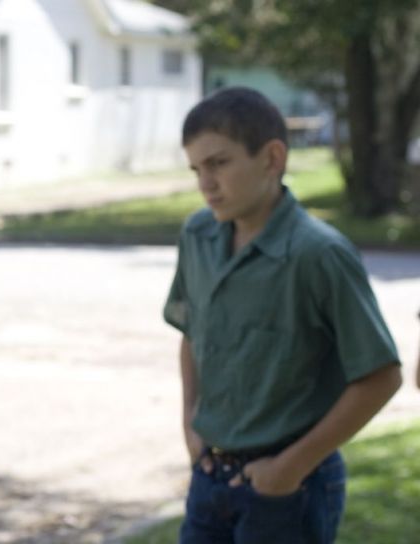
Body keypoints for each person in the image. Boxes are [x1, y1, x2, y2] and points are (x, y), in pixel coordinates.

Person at [165, 86, 401, 543]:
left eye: (219, 163)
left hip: (290, 486)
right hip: (210, 475)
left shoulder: (320, 254)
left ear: (272, 158)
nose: (205, 184)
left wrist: (288, 468)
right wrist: (189, 423)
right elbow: (191, 332)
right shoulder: (198, 234)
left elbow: (381, 377)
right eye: (196, 169)